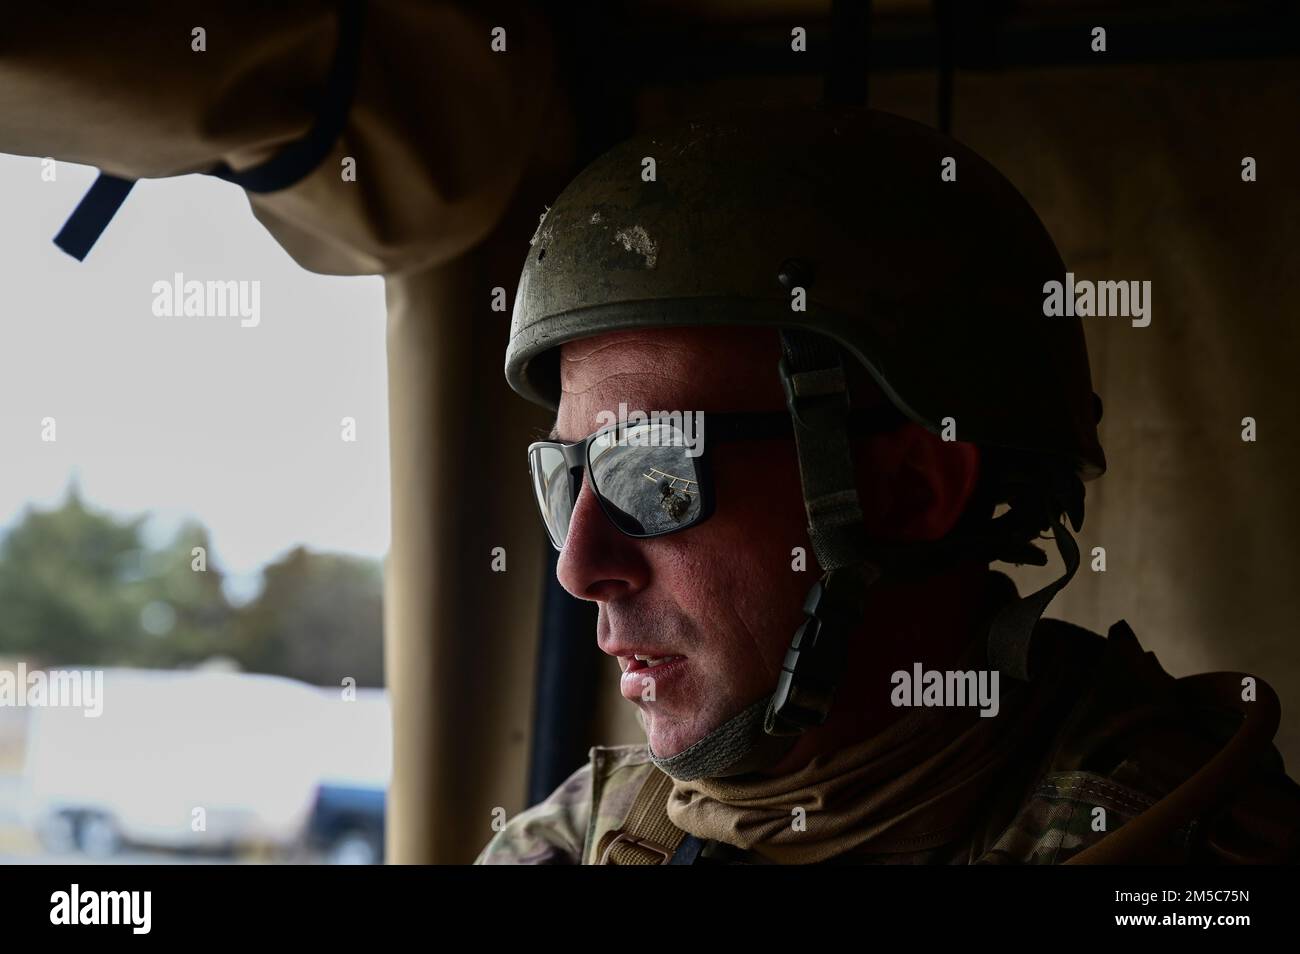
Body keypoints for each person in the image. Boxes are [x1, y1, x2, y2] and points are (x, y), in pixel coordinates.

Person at [476, 104, 1300, 864]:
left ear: (912, 487)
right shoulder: (602, 825)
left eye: (654, 474)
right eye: (569, 476)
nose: (578, 566)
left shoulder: (1179, 849)